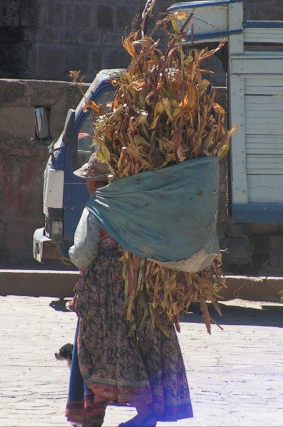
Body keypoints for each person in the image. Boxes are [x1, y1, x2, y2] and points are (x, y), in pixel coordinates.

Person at [65, 153, 193, 427]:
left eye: (89, 180)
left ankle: (92, 412)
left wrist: (71, 254)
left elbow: (85, 253)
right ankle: (145, 411)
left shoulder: (97, 207)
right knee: (137, 341)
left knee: (95, 345)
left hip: (103, 291)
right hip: (140, 285)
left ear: (96, 183)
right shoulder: (138, 205)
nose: (87, 185)